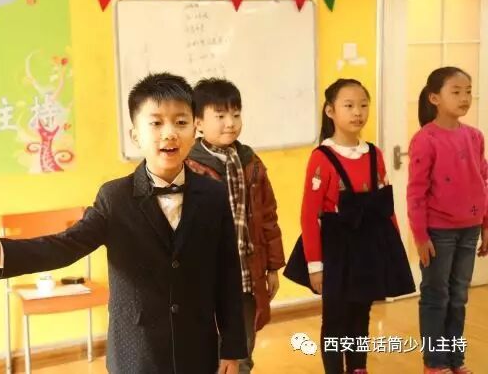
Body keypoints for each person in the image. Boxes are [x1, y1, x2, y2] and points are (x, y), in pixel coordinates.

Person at [0, 72, 247, 374]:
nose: (169, 133)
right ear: (135, 135)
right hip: (137, 352)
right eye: (156, 123)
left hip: (197, 349)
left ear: (195, 128)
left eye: (180, 122)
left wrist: (233, 348)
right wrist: (5, 252)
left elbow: (227, 275)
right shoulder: (115, 197)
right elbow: (67, 245)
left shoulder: (213, 194)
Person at [283, 78, 414, 374]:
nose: (358, 112)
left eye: (363, 105)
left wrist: (392, 254)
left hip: (367, 248)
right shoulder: (322, 158)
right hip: (336, 251)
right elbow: (309, 215)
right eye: (349, 105)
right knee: (335, 319)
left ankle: (358, 368)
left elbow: (385, 208)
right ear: (330, 111)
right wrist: (315, 266)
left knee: (361, 314)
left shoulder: (374, 154)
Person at [184, 78, 285, 373]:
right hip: (207, 281)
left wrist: (273, 267)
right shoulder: (189, 166)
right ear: (198, 123)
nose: (230, 122)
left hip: (246, 277)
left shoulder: (251, 162)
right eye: (220, 115)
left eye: (236, 114)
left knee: (243, 351)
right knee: (209, 354)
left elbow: (268, 216)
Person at [407, 67, 488, 374]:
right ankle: (435, 362)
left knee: (459, 296)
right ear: (434, 98)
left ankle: (455, 359)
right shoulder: (425, 139)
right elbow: (416, 192)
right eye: (456, 92)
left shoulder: (475, 136)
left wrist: (486, 224)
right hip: (438, 232)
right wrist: (420, 236)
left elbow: (483, 181)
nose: (464, 97)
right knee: (436, 296)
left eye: (468, 91)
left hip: (470, 229)